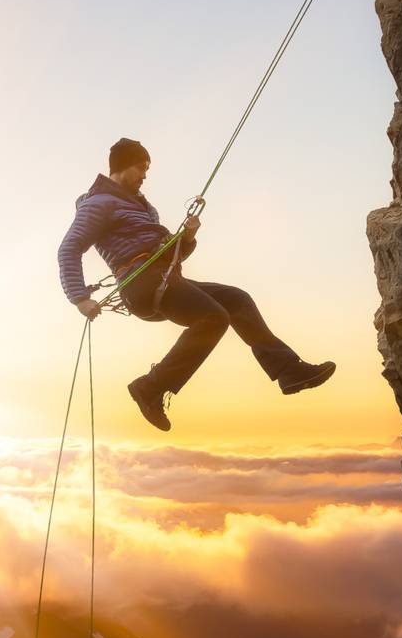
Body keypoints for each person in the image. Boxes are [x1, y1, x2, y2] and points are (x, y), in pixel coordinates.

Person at [57, 137, 335, 431]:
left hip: (163, 277)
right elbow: (69, 248)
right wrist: (79, 298)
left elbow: (171, 255)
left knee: (237, 299)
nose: (145, 176)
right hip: (141, 283)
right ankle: (150, 387)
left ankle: (288, 370)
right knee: (213, 317)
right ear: (124, 166)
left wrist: (186, 238)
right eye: (142, 168)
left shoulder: (141, 208)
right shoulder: (99, 202)